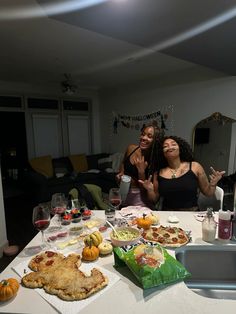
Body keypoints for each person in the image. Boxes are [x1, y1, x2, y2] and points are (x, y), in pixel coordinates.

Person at [139, 135, 225, 211]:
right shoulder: (158, 173)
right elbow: (154, 200)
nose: (170, 147)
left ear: (180, 148)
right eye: (165, 146)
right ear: (162, 152)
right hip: (168, 216)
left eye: (173, 144)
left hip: (191, 214)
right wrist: (150, 190)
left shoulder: (195, 167)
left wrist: (213, 184)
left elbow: (208, 193)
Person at [116, 122, 159, 209]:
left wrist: (141, 172)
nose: (143, 138)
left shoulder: (155, 160)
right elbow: (122, 170)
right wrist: (119, 176)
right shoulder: (131, 148)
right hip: (123, 194)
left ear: (156, 140)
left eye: (149, 136)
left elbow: (150, 196)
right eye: (143, 134)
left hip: (142, 201)